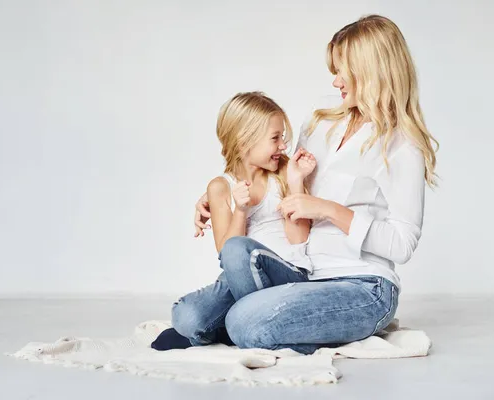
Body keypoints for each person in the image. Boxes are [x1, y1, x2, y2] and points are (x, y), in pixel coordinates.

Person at [191, 14, 439, 355]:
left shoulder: (402, 147)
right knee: (194, 318)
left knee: (242, 323)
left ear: (371, 71)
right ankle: (285, 325)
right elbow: (277, 172)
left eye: (342, 71)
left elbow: (402, 244)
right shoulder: (320, 123)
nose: (335, 82)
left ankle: (284, 327)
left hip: (363, 286)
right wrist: (216, 193)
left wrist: (328, 210)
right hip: (302, 273)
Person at [151, 91, 318, 351]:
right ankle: (238, 328)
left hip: (287, 274)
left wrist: (296, 182)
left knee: (241, 250)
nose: (284, 146)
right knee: (186, 316)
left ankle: (236, 327)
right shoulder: (220, 188)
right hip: (239, 278)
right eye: (275, 139)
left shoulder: (284, 173)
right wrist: (240, 210)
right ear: (244, 142)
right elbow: (224, 251)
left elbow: (299, 239)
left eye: (283, 137)